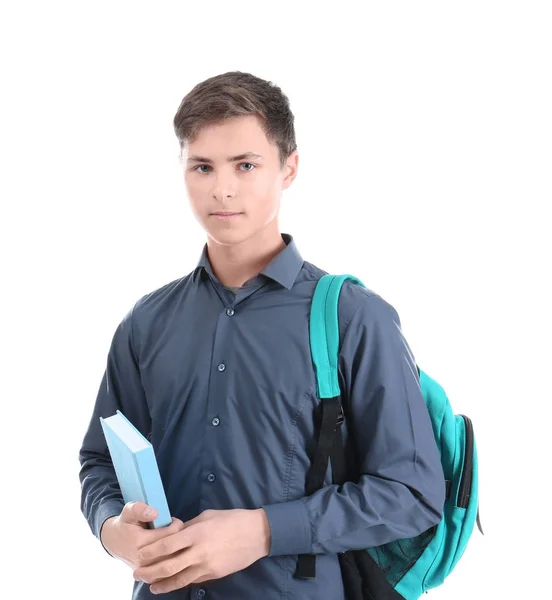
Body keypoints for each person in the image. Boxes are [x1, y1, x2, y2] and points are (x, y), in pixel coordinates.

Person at [79, 71, 445, 600]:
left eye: (245, 165)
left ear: (288, 168)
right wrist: (114, 530)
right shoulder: (147, 322)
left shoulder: (353, 317)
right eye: (202, 166)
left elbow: (411, 493)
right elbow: (99, 461)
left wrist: (265, 531)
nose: (221, 188)